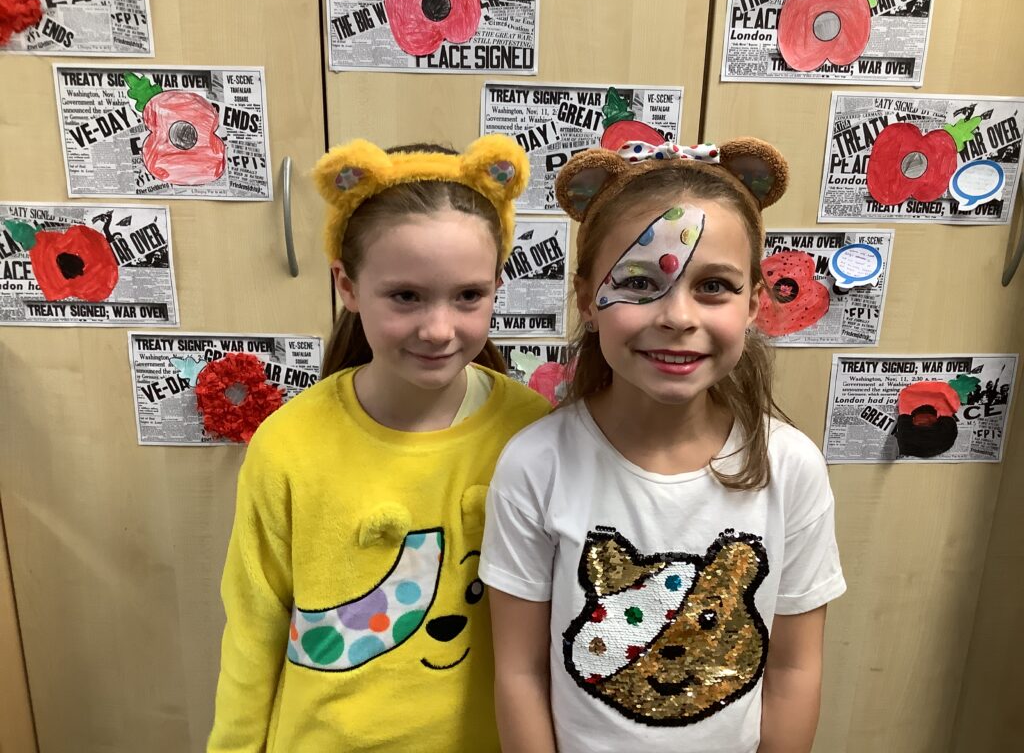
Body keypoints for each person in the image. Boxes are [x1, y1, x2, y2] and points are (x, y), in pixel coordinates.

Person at [480, 137, 846, 753]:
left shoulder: (790, 467)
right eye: (640, 282)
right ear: (588, 300)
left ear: (755, 302)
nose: (677, 316)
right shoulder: (535, 464)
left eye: (714, 287)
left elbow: (792, 670)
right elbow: (519, 673)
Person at [207, 135, 550, 752]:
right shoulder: (289, 444)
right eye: (405, 296)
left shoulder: (532, 432)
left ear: (498, 285)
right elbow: (253, 631)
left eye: (469, 296)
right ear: (346, 285)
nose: (439, 328)